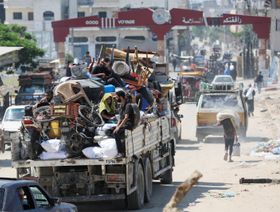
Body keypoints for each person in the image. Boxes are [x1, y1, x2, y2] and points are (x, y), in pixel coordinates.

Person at [113, 90, 137, 157]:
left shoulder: (128, 105)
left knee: (116, 133)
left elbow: (126, 118)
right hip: (124, 124)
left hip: (129, 124)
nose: (116, 99)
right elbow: (120, 118)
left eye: (117, 97)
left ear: (121, 97)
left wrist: (119, 127)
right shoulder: (121, 106)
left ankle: (121, 152)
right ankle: (122, 148)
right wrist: (117, 127)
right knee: (113, 131)